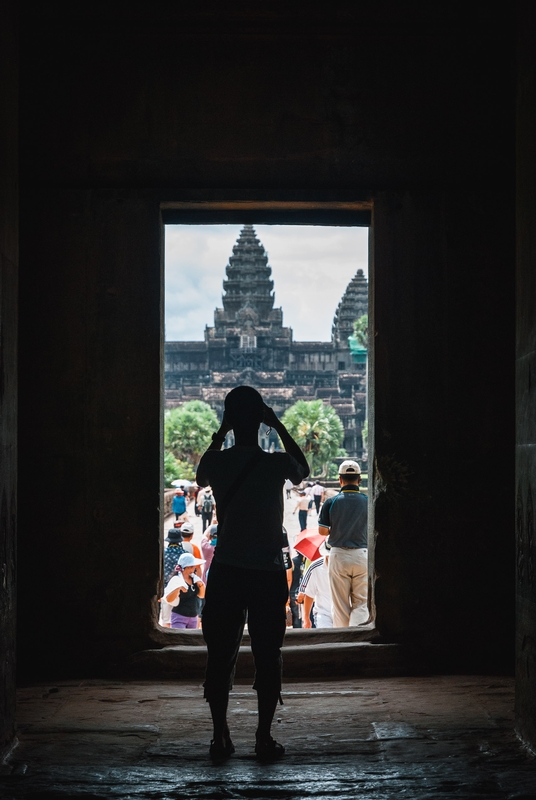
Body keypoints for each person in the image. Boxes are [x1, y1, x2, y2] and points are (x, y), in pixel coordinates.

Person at [197, 385, 309, 761]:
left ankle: (219, 736)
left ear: (230, 420)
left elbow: (199, 475)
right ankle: (263, 737)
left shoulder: (218, 462)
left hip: (227, 569)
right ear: (261, 418)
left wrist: (221, 431)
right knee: (267, 652)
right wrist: (276, 424)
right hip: (266, 571)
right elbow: (303, 469)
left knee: (220, 654)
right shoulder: (275, 463)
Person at [318, 460, 368, 628]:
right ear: (359, 480)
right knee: (362, 603)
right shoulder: (368, 502)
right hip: (362, 555)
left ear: (340, 480)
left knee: (340, 605)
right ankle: (357, 636)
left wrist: (339, 529)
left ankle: (342, 639)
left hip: (338, 555)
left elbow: (322, 532)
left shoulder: (331, 502)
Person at [164, 553, 206, 629]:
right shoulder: (177, 580)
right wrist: (177, 589)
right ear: (188, 567)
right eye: (193, 567)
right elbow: (169, 599)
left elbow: (201, 596)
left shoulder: (195, 579)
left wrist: (201, 586)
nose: (195, 569)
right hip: (179, 616)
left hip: (193, 617)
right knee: (178, 639)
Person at [296, 542, 333, 628]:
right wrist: (306, 619)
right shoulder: (316, 567)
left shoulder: (346, 565)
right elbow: (309, 594)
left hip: (343, 612)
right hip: (323, 614)